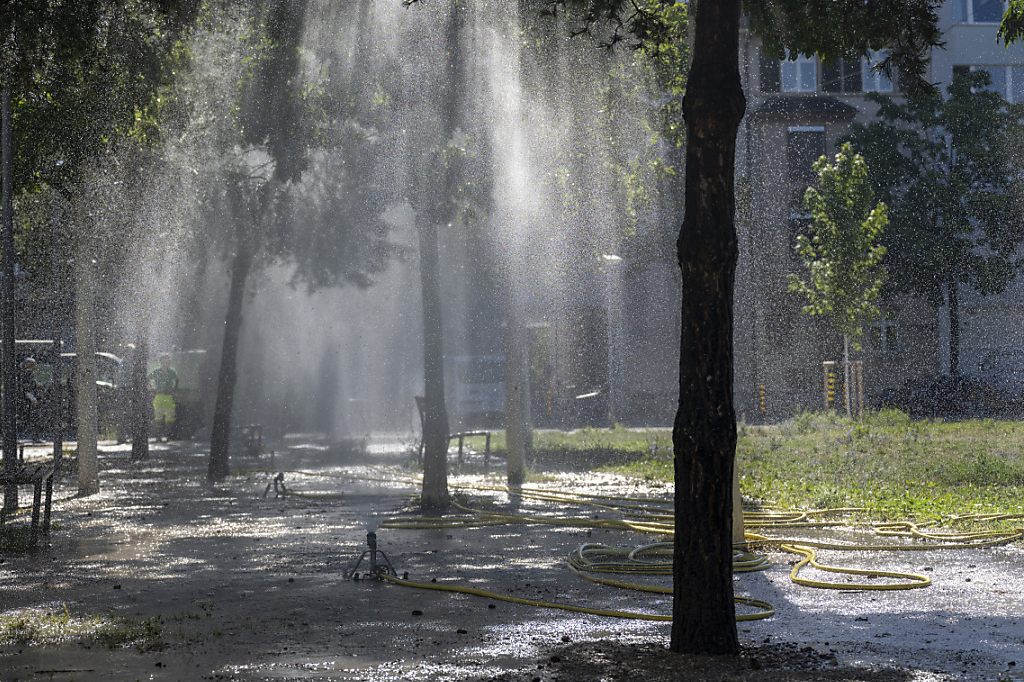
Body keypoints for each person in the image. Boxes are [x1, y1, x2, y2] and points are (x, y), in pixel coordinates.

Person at [148, 353, 178, 442]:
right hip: (159, 395)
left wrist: (174, 390)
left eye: (167, 360)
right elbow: (147, 378)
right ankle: (158, 437)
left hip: (168, 396)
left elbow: (176, 380)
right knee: (158, 417)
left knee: (170, 418)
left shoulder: (172, 371)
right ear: (160, 362)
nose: (165, 362)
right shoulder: (156, 371)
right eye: (163, 360)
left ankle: (168, 436)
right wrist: (152, 389)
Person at [18, 357, 41, 441]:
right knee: (33, 418)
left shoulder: (23, 373)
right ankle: (35, 437)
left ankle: (34, 436)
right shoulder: (26, 374)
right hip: (28, 400)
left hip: (27, 399)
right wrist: (33, 398)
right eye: (32, 365)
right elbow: (26, 388)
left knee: (31, 418)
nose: (34, 367)